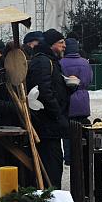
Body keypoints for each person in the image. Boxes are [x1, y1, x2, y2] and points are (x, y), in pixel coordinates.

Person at [25, 29, 72, 187]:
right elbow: (44, 91)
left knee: (54, 164)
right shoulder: (43, 62)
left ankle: (51, 191)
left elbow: (52, 88)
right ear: (51, 44)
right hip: (45, 125)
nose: (64, 46)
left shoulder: (50, 61)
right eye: (61, 42)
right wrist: (57, 114)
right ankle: (50, 195)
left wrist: (69, 89)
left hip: (50, 125)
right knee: (51, 165)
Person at [59, 36, 93, 165]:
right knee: (82, 129)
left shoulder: (61, 63)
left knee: (68, 132)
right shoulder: (85, 62)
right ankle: (83, 154)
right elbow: (89, 79)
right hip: (83, 100)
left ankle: (69, 157)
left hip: (68, 100)